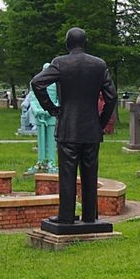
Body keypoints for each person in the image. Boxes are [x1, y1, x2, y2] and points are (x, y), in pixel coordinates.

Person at [31, 27, 116, 227]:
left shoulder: (60, 63)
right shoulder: (99, 65)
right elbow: (111, 97)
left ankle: (66, 217)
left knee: (67, 174)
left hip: (68, 128)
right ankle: (89, 216)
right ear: (85, 43)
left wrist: (52, 109)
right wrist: (100, 122)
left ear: (68, 44)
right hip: (91, 130)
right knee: (90, 173)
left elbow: (37, 83)